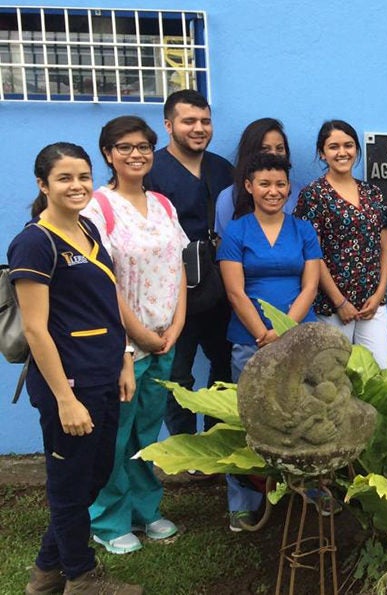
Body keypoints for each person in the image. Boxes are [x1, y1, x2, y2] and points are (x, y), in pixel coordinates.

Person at [10, 143, 143, 593]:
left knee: (94, 475)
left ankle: (46, 575)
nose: (77, 186)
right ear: (43, 184)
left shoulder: (87, 229)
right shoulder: (35, 242)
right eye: (65, 178)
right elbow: (35, 330)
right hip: (68, 383)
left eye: (83, 176)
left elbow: (106, 304)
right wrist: (65, 399)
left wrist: (125, 358)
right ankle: (82, 578)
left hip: (104, 374)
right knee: (70, 485)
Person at [82, 116, 188, 555]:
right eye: (124, 147)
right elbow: (103, 281)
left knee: (147, 432)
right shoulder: (97, 208)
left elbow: (178, 267)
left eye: (143, 146)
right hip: (124, 344)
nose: (136, 154)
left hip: (165, 338)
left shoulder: (163, 204)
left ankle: (147, 509)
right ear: (108, 154)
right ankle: (107, 520)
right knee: (116, 433)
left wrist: (176, 325)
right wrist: (139, 333)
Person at [218, 153, 322, 530]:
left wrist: (284, 329)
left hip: (299, 340)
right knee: (249, 422)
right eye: (264, 184)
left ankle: (309, 491)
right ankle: (244, 502)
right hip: (250, 342)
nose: (273, 191)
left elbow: (310, 286)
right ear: (249, 187)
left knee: (304, 417)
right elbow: (235, 291)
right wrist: (263, 334)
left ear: (288, 188)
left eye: (280, 185)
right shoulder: (237, 232)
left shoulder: (304, 230)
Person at [144, 89, 234, 438]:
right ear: (169, 125)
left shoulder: (222, 169)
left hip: (220, 285)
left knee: (224, 363)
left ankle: (217, 436)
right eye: (189, 121)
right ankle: (184, 444)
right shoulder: (151, 170)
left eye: (205, 121)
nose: (199, 128)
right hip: (171, 289)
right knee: (176, 373)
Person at [295, 120, 387, 367]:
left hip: (373, 303)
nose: (342, 153)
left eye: (348, 145)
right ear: (322, 152)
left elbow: (384, 248)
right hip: (333, 307)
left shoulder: (373, 193)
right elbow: (313, 255)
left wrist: (380, 292)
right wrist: (340, 302)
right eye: (334, 147)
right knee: (333, 379)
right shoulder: (314, 195)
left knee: (380, 372)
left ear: (357, 149)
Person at [214, 117, 299, 236]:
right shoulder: (228, 197)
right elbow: (224, 246)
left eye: (279, 148)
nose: (274, 154)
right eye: (265, 149)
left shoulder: (301, 194)